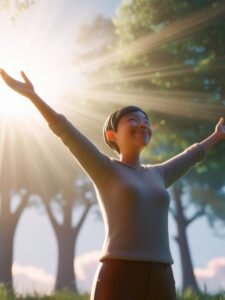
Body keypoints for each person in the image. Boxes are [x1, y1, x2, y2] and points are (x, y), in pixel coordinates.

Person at [0, 69, 224, 300]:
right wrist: (33, 96)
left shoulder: (159, 174)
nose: (142, 125)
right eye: (133, 120)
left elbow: (192, 155)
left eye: (146, 121)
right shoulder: (104, 168)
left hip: (161, 275)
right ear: (111, 135)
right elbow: (66, 132)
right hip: (119, 273)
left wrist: (217, 136)